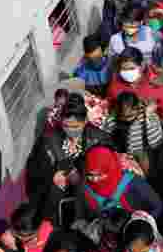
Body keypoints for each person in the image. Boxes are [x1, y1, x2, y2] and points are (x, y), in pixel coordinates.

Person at [26, 92, 111, 225]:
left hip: (89, 181)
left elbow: (107, 163)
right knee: (53, 192)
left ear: (85, 122)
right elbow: (36, 169)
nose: (70, 130)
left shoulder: (97, 138)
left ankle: (83, 223)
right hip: (60, 183)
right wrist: (52, 175)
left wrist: (84, 174)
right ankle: (49, 225)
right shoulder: (50, 140)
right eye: (66, 126)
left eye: (75, 126)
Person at [76, 145, 163, 223]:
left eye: (101, 174)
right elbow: (80, 216)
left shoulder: (132, 182)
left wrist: (142, 223)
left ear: (111, 168)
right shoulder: (84, 188)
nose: (95, 180)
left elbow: (157, 206)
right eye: (90, 175)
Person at [106, 48, 163, 135]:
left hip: (152, 134)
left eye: (131, 68)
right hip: (124, 134)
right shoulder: (115, 84)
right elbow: (109, 107)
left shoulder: (158, 83)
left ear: (142, 66)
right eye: (123, 69)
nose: (127, 72)